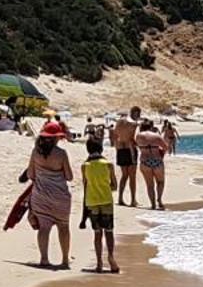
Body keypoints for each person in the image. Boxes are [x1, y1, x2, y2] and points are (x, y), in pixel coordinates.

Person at [22, 132, 73, 269]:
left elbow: (30, 174)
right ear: (55, 138)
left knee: (44, 227)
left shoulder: (35, 152)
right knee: (63, 227)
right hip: (60, 196)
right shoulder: (61, 154)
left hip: (41, 195)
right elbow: (69, 176)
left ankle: (44, 259)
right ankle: (65, 260)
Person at [79, 137, 119, 274]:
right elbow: (114, 186)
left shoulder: (84, 166)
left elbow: (85, 185)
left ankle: (99, 263)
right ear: (101, 148)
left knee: (97, 233)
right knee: (109, 232)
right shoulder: (108, 165)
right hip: (106, 200)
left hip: (92, 202)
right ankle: (111, 258)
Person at [134, 118, 168, 208]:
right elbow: (165, 147)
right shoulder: (156, 136)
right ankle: (159, 200)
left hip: (145, 161)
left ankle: (153, 204)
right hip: (157, 160)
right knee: (160, 181)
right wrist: (161, 154)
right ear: (151, 127)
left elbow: (137, 145)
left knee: (149, 185)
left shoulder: (138, 136)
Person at [111, 107, 141, 206]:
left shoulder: (119, 121)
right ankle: (133, 200)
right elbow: (134, 138)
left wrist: (116, 147)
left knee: (124, 176)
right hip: (130, 149)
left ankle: (120, 198)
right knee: (132, 176)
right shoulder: (134, 124)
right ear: (136, 113)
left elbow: (114, 134)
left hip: (120, 149)